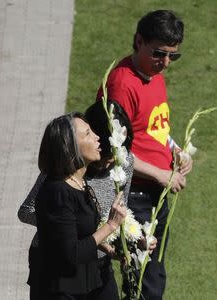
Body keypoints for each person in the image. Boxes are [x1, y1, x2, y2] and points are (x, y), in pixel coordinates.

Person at [96, 9, 192, 299]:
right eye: (159, 54)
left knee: (153, 274)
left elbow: (153, 129)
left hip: (155, 195)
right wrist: (161, 173)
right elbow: (113, 150)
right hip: (134, 196)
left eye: (172, 56)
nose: (164, 64)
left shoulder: (154, 76)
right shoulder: (122, 85)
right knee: (140, 279)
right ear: (139, 41)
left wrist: (175, 149)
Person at [19, 103, 156, 299]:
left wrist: (133, 241)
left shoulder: (94, 177)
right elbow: (30, 213)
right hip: (60, 276)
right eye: (89, 134)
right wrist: (94, 228)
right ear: (72, 146)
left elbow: (117, 215)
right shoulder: (59, 184)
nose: (111, 162)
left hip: (94, 267)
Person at [28, 112, 127, 299]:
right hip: (60, 290)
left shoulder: (79, 184)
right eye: (88, 134)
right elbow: (71, 253)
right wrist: (111, 225)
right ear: (70, 147)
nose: (98, 137)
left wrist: (110, 247)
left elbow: (79, 233)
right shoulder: (57, 192)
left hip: (84, 284)